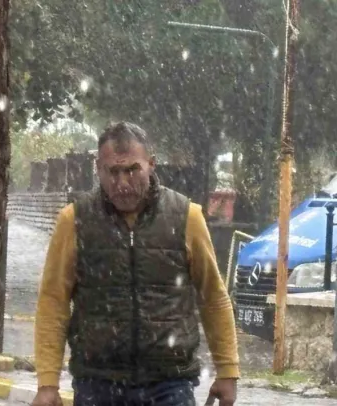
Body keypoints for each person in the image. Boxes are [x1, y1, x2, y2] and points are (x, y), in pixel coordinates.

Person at [31, 122, 239, 406]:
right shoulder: (74, 220)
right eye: (113, 172)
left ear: (151, 164)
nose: (122, 183)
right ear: (98, 169)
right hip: (97, 383)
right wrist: (47, 384)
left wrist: (227, 370)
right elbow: (53, 302)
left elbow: (213, 296)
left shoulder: (186, 217)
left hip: (170, 384)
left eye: (132, 170)